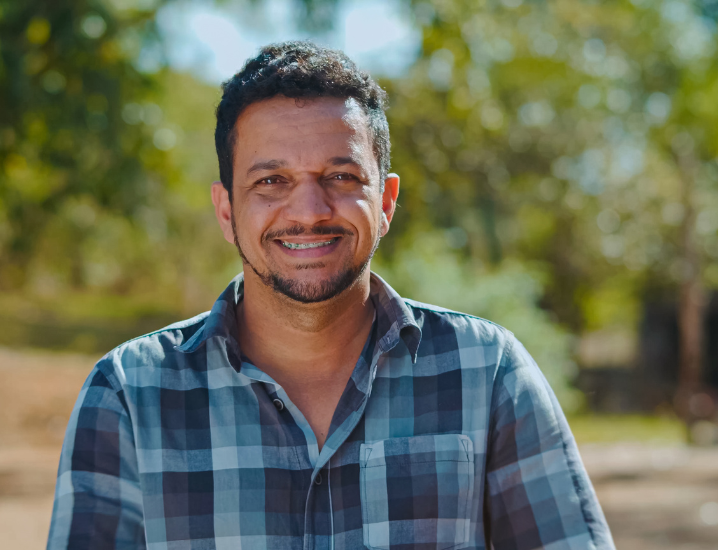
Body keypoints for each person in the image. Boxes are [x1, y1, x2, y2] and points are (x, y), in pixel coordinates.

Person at [47, 41, 614, 550]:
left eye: (341, 177)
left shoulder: (487, 373)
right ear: (226, 211)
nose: (310, 211)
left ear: (386, 201)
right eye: (271, 182)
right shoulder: (128, 393)